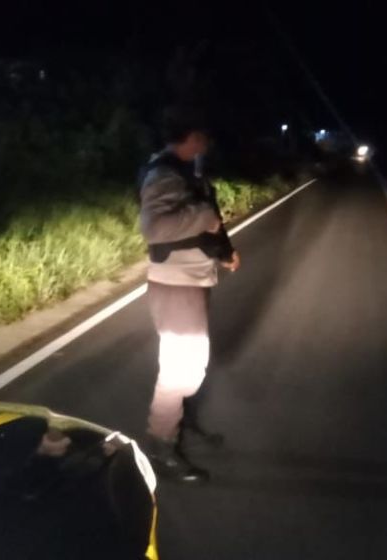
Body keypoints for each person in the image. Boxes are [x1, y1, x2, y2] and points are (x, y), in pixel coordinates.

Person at [137, 106, 240, 483]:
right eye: (203, 136)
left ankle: (179, 423)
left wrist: (224, 252)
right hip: (176, 283)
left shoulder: (184, 169)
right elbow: (154, 228)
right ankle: (160, 444)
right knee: (180, 369)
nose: (207, 143)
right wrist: (205, 217)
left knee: (189, 366)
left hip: (190, 279)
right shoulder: (164, 174)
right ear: (192, 137)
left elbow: (200, 222)